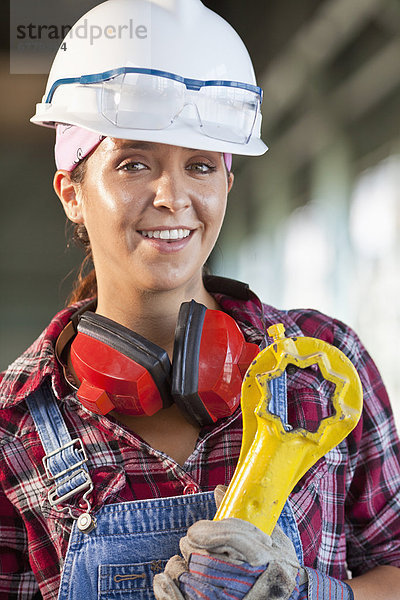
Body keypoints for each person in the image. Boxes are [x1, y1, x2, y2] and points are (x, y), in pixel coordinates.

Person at [1, 1, 399, 599]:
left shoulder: (322, 368)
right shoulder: (16, 424)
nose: (173, 196)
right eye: (134, 163)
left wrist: (315, 595)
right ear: (72, 193)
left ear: (228, 184)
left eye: (201, 165)